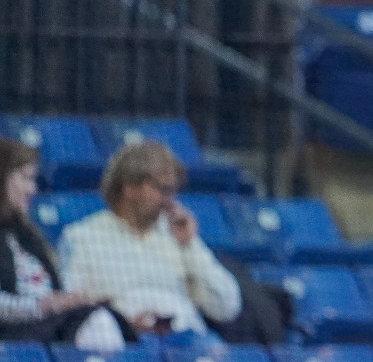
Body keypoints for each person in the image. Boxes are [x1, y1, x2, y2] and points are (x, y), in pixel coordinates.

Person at [59, 141, 242, 336]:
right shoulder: (82, 237)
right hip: (122, 339)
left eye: (173, 191)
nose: (169, 201)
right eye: (162, 190)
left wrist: (190, 245)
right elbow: (73, 310)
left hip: (185, 338)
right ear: (129, 187)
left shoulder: (177, 234)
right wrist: (125, 323)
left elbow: (227, 308)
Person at [0, 139, 129, 351]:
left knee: (102, 319)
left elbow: (56, 285)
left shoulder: (27, 235)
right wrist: (43, 306)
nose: (32, 189)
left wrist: (72, 299)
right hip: (13, 336)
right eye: (25, 178)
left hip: (47, 327)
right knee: (97, 324)